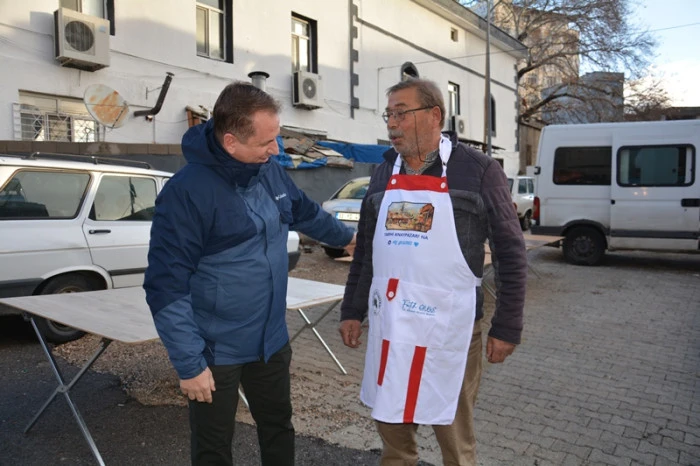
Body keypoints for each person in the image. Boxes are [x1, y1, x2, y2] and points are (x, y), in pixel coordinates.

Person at [144, 81, 355, 466]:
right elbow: (166, 286)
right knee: (213, 448)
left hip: (270, 342)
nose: (276, 150)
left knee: (278, 427)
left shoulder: (268, 171)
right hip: (216, 350)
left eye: (277, 138)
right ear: (231, 142)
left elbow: (305, 212)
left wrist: (347, 240)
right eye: (266, 142)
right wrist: (189, 364)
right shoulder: (186, 193)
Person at [338, 78, 526, 465]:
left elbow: (510, 251)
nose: (392, 123)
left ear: (434, 115)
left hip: (450, 331)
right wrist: (351, 310)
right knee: (393, 437)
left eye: (401, 113)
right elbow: (366, 252)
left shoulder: (478, 170)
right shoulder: (382, 172)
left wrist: (507, 326)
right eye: (389, 114)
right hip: (391, 327)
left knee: (454, 439)